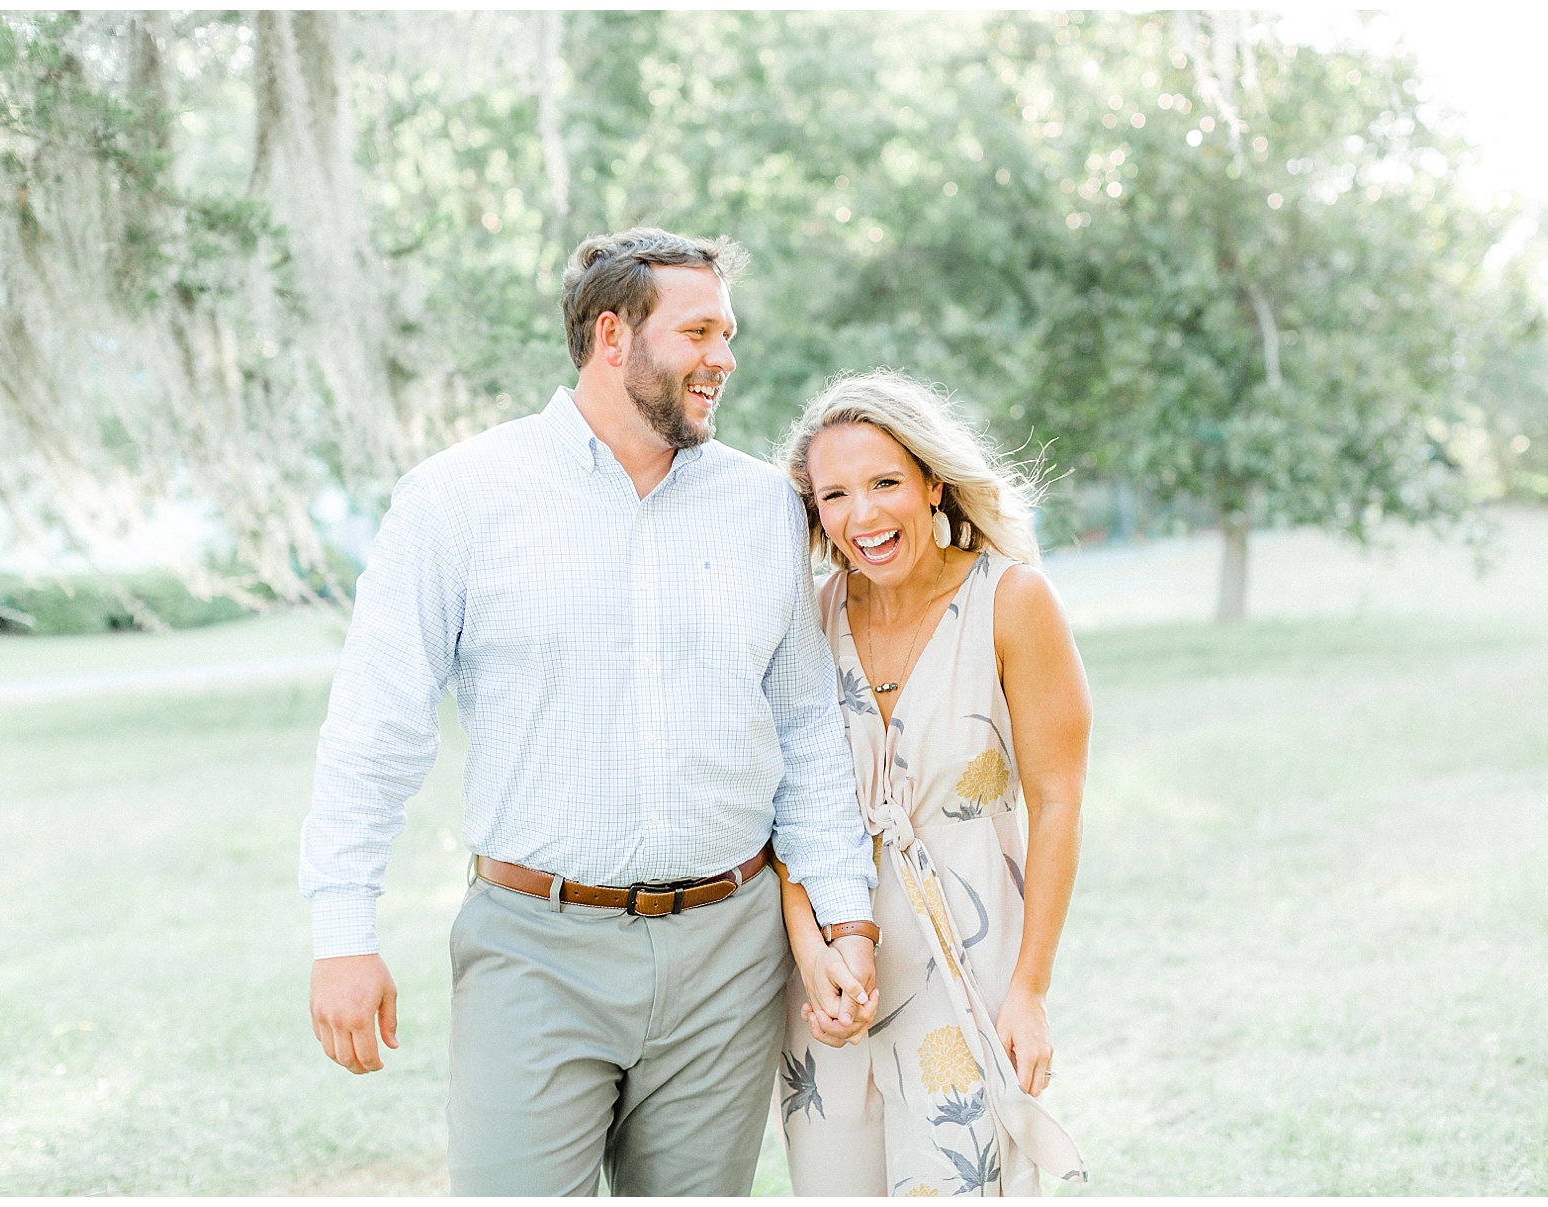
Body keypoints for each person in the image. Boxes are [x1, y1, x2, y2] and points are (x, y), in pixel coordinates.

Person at [298, 227, 880, 1197]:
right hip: (534, 949)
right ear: (614, 337)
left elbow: (806, 730)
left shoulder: (765, 510)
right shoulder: (459, 500)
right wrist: (341, 934)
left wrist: (846, 916)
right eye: (700, 332)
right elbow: (376, 723)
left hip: (729, 955)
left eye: (729, 334)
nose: (725, 358)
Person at [772, 369, 1092, 1195]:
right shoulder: (806, 617)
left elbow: (1058, 802)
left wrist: (1029, 990)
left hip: (969, 962)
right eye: (835, 494)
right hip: (832, 980)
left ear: (931, 482)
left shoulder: (1012, 600)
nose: (864, 515)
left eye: (885, 482)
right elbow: (782, 807)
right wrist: (812, 957)